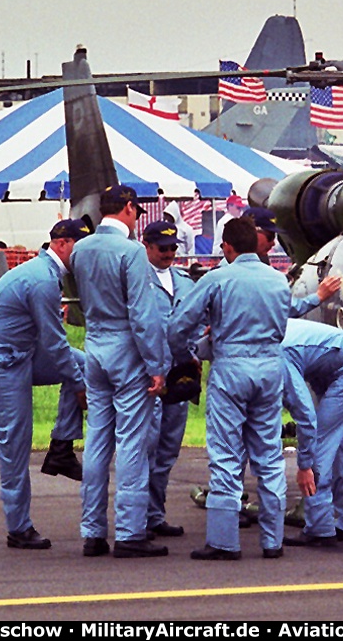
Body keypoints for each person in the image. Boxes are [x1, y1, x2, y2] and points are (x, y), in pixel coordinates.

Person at [0, 219, 91, 550]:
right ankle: (18, 527)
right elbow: (55, 342)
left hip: (17, 353)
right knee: (15, 440)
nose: (86, 254)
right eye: (81, 245)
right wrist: (78, 388)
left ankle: (61, 447)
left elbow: (56, 348)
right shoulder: (42, 280)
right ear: (61, 244)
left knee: (86, 365)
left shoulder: (44, 273)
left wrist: (77, 379)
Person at [169, 217, 291, 561]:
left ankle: (224, 541)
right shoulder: (279, 281)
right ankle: (273, 541)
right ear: (257, 244)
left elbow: (179, 327)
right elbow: (282, 327)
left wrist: (191, 352)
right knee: (269, 455)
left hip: (231, 369)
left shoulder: (217, 278)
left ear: (227, 247)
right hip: (269, 368)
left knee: (225, 455)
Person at [72, 185, 170, 559]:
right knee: (132, 441)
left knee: (97, 441)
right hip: (125, 348)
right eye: (136, 210)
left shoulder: (81, 249)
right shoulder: (131, 252)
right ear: (128, 209)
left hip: (95, 346)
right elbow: (143, 317)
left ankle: (93, 530)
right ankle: (130, 532)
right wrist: (157, 365)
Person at [280, 319, 343, 547]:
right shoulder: (273, 326)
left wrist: (304, 465)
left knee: (321, 442)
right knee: (342, 446)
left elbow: (306, 417)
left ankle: (319, 527)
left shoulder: (278, 350)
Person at [141, 221, 195, 538]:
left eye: (173, 248)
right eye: (162, 248)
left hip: (179, 374)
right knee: (145, 448)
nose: (169, 254)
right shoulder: (138, 280)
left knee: (168, 450)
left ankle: (155, 515)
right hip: (149, 374)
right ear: (146, 246)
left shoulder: (185, 282)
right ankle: (138, 517)